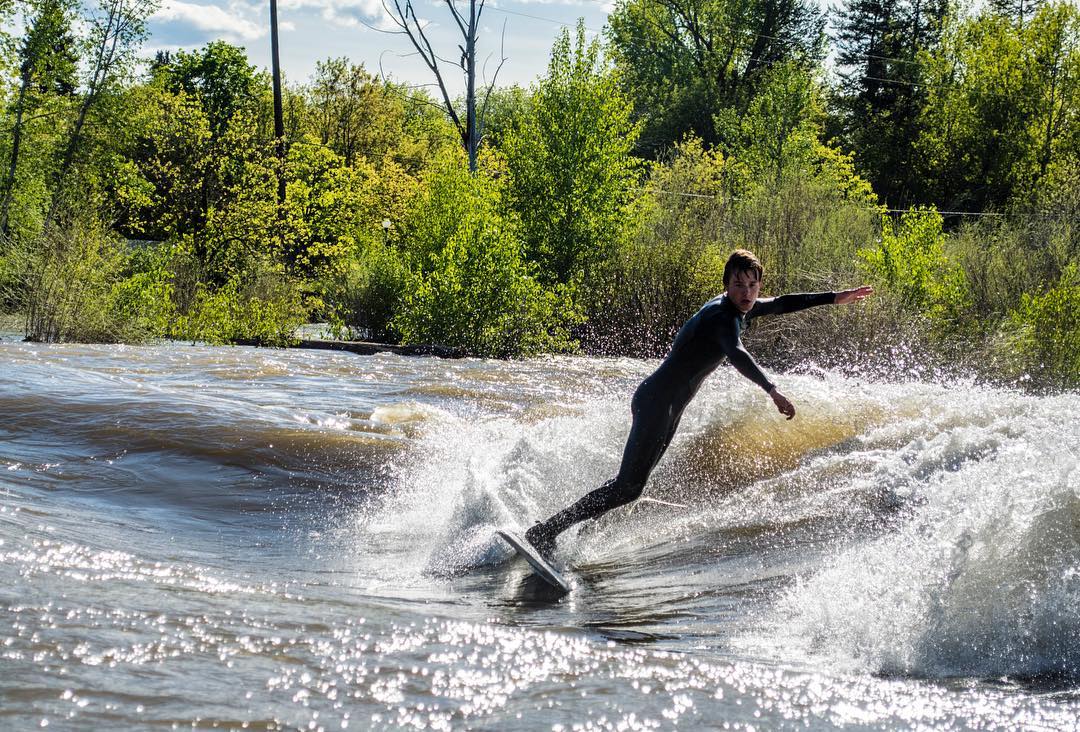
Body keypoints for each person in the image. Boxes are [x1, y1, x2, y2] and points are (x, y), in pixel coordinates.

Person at [524, 249, 873, 557]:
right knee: (627, 487)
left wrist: (834, 297)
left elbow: (783, 302)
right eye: (739, 285)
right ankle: (546, 531)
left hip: (669, 408)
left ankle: (574, 538)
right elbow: (736, 353)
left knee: (629, 489)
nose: (747, 293)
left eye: (753, 286)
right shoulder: (723, 318)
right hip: (657, 403)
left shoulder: (742, 309)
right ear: (726, 285)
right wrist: (771, 389)